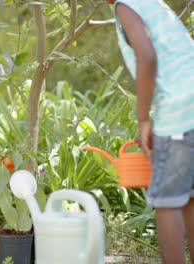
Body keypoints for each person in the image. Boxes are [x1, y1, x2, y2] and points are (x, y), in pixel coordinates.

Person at [107, 0, 194, 262]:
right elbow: (176, 70)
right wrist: (156, 121)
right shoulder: (154, 4)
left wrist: (143, 118)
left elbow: (147, 57)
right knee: (188, 199)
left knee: (167, 204)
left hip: (178, 115)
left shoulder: (126, 6)